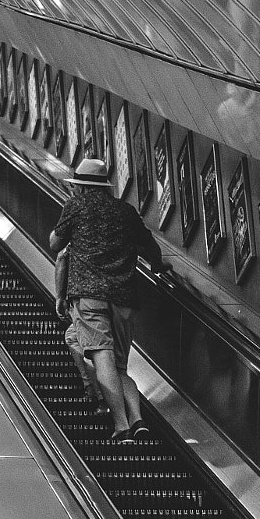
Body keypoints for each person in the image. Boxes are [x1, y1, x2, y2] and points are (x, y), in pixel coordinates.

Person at [49, 158, 170, 443]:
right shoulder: (125, 211)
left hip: (89, 297)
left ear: (80, 188)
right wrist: (158, 265)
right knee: (118, 365)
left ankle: (121, 425)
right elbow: (149, 244)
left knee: (100, 357)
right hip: (123, 298)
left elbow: (56, 245)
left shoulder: (75, 207)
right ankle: (138, 420)